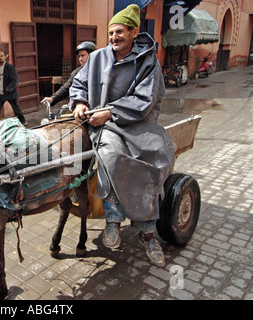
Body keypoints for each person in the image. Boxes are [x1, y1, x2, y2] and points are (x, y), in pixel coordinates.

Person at [69, 4, 175, 265]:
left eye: (120, 32)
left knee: (153, 159)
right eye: (111, 33)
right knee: (111, 154)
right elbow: (79, 83)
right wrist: (80, 102)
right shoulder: (97, 57)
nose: (114, 37)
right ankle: (113, 219)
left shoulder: (148, 60)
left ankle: (148, 231)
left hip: (138, 124)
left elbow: (145, 99)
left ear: (134, 31)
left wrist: (111, 111)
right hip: (104, 126)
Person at [41, 41, 97, 107]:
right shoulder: (77, 73)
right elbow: (66, 88)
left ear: (92, 55)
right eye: (79, 56)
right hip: (80, 107)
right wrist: (53, 98)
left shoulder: (102, 71)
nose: (80, 59)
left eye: (83, 55)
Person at [0, 50, 26, 128]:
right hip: (0, 92)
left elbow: (15, 79)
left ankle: (23, 121)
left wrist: (9, 88)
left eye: (2, 56)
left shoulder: (10, 67)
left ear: (5, 57)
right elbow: (0, 80)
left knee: (15, 108)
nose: (0, 57)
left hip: (9, 92)